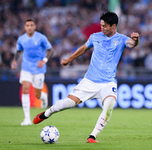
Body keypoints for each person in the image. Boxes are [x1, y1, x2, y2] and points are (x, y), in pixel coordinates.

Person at [33, 12, 139, 143]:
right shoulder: (95, 37)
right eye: (101, 25)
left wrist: (136, 40)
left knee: (109, 106)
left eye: (105, 26)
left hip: (108, 83)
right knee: (68, 103)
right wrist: (69, 59)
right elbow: (84, 48)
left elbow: (132, 44)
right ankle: (46, 113)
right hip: (89, 81)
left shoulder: (121, 39)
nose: (102, 28)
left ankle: (92, 136)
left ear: (113, 26)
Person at [11, 19, 54, 126]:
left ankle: (43, 96)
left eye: (31, 25)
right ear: (25, 27)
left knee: (37, 94)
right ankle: (27, 119)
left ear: (35, 27)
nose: (29, 27)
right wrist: (15, 60)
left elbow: (51, 50)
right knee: (25, 88)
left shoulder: (41, 38)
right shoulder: (21, 39)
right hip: (26, 68)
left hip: (39, 69)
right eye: (27, 25)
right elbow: (19, 50)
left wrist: (44, 61)